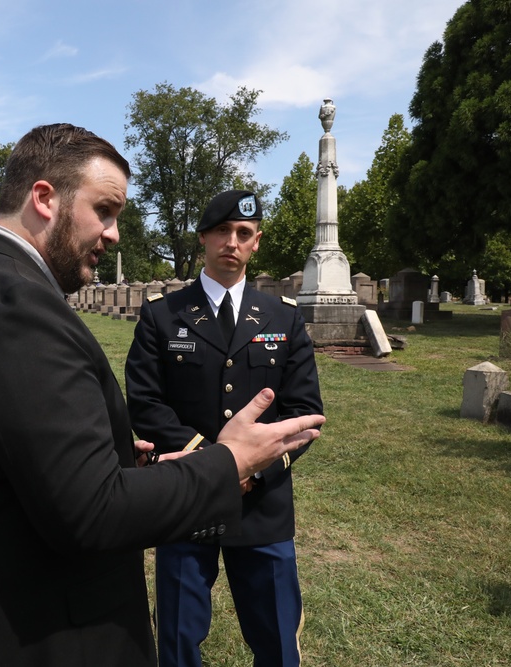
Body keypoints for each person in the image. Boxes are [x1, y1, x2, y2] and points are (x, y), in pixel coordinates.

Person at [0, 128, 325, 667]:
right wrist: (226, 461)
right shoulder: (16, 306)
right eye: (105, 210)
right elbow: (91, 509)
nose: (114, 233)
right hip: (15, 631)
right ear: (45, 199)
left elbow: (37, 460)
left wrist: (123, 461)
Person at [125, 190, 323, 667]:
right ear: (203, 240)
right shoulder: (162, 315)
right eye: (221, 232)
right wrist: (214, 465)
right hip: (186, 497)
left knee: (277, 641)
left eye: (243, 234)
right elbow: (146, 403)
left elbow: (304, 413)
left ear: (256, 243)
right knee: (176, 642)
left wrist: (251, 471)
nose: (231, 242)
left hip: (262, 503)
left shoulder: (284, 318)